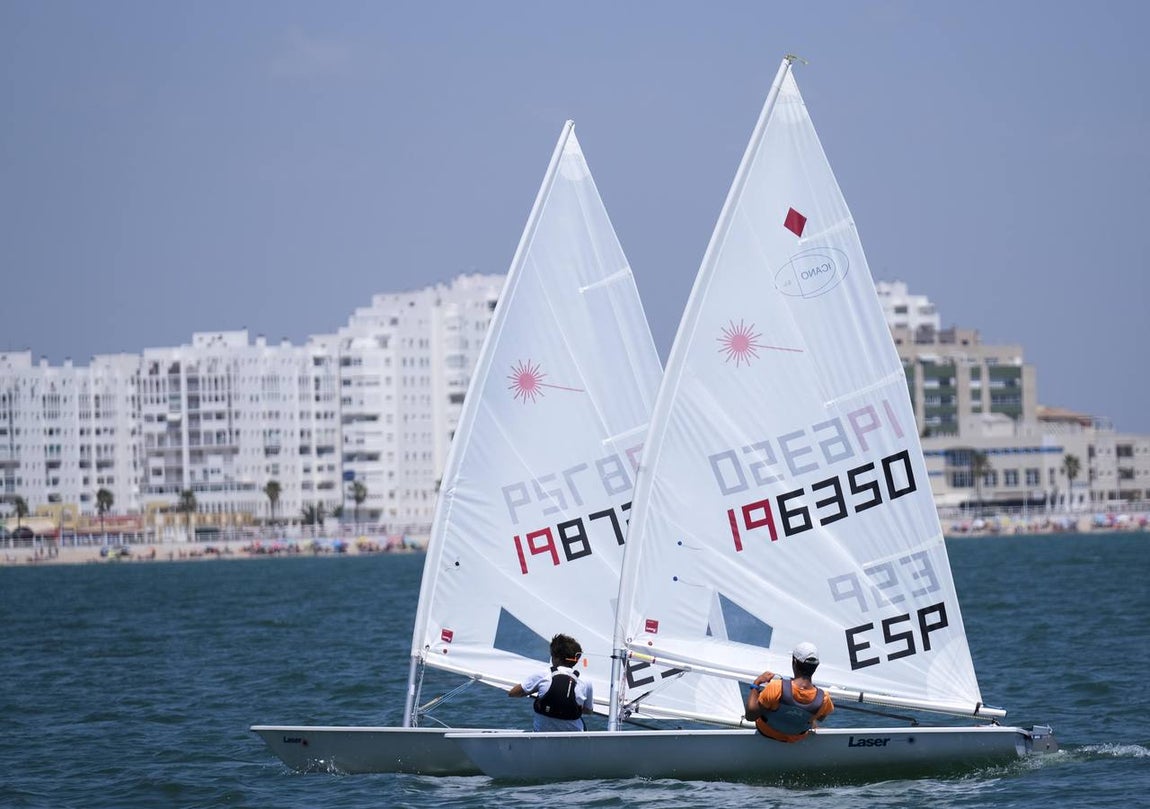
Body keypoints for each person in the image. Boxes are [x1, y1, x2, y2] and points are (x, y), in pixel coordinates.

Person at [744, 641, 834, 742]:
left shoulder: (776, 687)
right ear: (816, 666)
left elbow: (750, 716)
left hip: (767, 733)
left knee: (767, 701)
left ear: (794, 662)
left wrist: (756, 683)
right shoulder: (824, 699)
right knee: (810, 717)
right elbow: (821, 718)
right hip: (797, 738)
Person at [508, 633, 593, 731]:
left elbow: (512, 693)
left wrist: (535, 693)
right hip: (574, 738)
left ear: (555, 657)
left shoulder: (543, 675)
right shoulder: (586, 681)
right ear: (576, 660)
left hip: (542, 735)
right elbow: (588, 711)